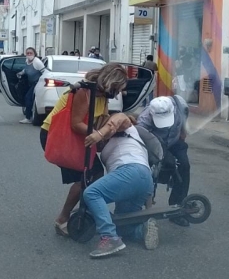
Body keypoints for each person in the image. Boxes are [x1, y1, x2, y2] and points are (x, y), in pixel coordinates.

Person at [40, 63, 128, 236]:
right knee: (84, 178)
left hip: (80, 136)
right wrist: (100, 135)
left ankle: (84, 213)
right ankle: (63, 219)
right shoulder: (85, 92)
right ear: (111, 83)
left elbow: (99, 121)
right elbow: (76, 124)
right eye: (118, 88)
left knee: (96, 174)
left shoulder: (102, 96)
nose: (119, 93)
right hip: (57, 135)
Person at [82, 113, 159, 258]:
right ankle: (142, 230)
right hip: (143, 179)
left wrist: (100, 133)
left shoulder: (126, 128)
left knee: (92, 193)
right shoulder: (124, 141)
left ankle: (109, 237)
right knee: (122, 224)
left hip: (130, 172)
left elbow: (121, 117)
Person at [136, 95, 191, 225]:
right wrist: (160, 155)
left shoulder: (181, 106)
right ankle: (139, 206)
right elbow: (141, 138)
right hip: (155, 143)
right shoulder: (145, 118)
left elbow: (184, 124)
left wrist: (182, 136)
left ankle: (178, 207)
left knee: (184, 166)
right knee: (145, 171)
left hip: (174, 141)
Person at [18, 47, 45, 124]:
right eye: (27, 53)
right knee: (26, 97)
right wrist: (21, 73)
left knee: (28, 98)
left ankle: (28, 117)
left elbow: (44, 72)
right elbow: (26, 70)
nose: (29, 55)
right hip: (30, 82)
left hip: (37, 83)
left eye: (31, 53)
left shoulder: (37, 62)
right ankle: (29, 113)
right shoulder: (27, 61)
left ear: (34, 54)